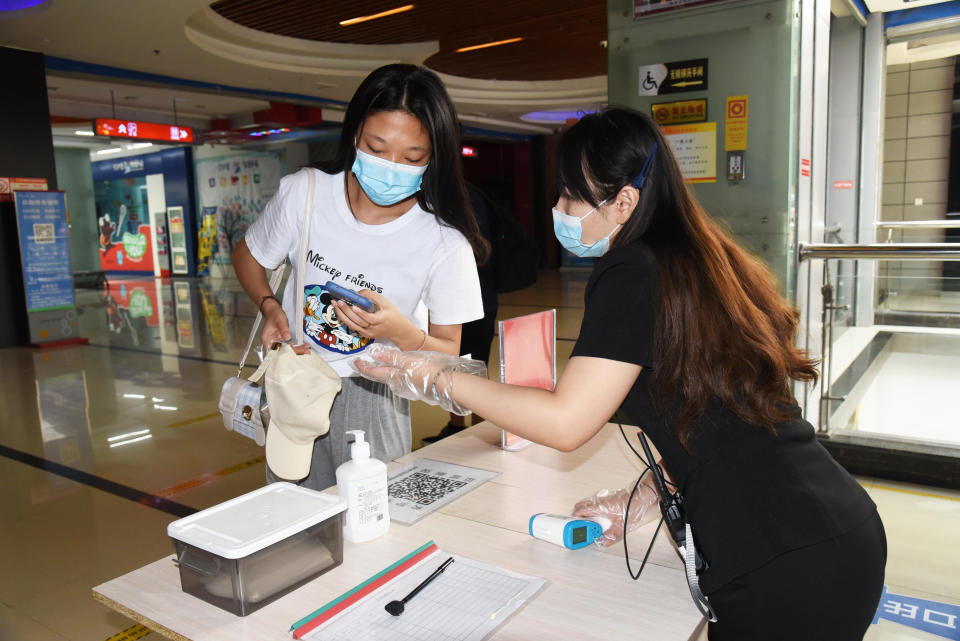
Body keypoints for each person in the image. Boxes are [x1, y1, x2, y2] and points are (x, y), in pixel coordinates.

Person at [357, 108, 886, 640]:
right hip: (830, 528)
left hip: (783, 560)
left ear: (624, 202)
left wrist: (433, 375)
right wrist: (649, 496)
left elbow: (566, 422)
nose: (558, 208)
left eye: (570, 196)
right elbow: (715, 410)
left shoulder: (632, 270)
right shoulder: (701, 259)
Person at [232, 63, 488, 491]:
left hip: (376, 393)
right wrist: (270, 305)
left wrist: (403, 332)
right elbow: (248, 255)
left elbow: (449, 353)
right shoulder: (306, 192)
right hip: (298, 382)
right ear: (355, 135)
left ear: (434, 158)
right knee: (294, 517)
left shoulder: (444, 243)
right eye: (377, 146)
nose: (391, 167)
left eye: (412, 158)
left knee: (372, 523)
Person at [422, 182, 498, 444]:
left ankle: (478, 428)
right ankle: (457, 425)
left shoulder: (458, 201)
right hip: (463, 298)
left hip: (475, 299)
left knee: (473, 367)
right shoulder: (467, 196)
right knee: (455, 366)